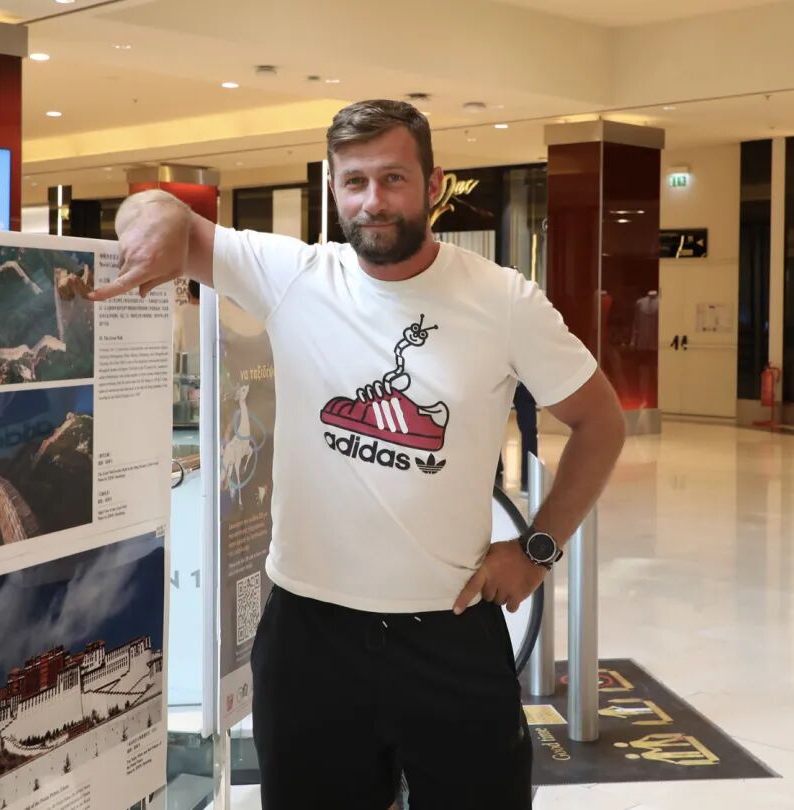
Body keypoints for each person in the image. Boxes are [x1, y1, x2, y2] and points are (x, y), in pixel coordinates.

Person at [91, 100, 625, 809]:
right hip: (310, 638)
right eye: (355, 182)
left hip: (450, 632)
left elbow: (601, 423)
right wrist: (151, 220)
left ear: (434, 184)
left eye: (394, 178)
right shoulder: (294, 275)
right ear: (333, 188)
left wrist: (537, 550)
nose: (373, 201)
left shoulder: (503, 300)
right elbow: (155, 208)